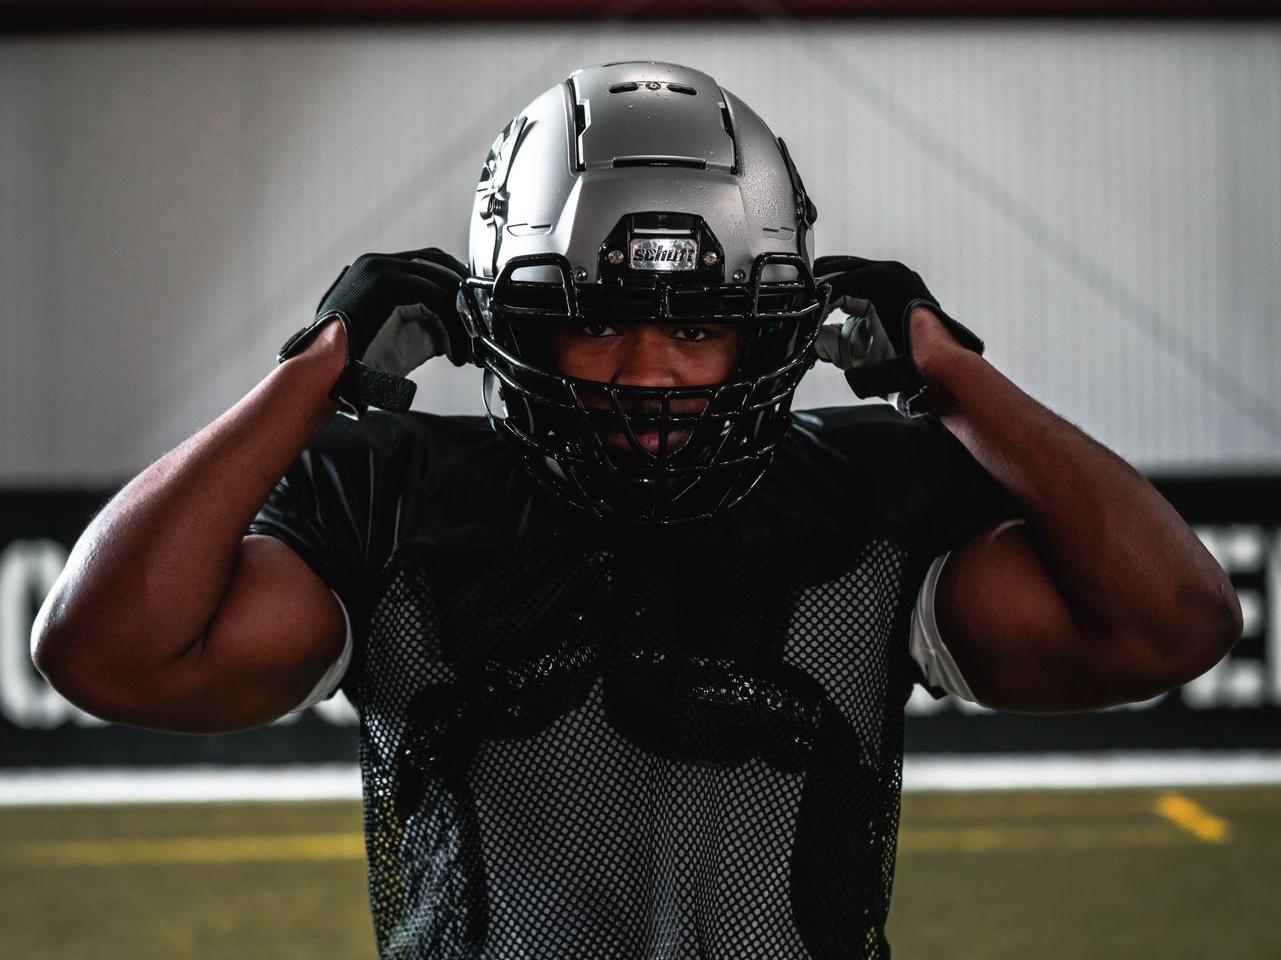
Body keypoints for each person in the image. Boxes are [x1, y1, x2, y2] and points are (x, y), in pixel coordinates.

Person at [31, 62, 1241, 958]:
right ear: (513, 321)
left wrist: (950, 372)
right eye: (598, 319)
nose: (650, 369)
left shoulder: (867, 505)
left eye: (700, 325)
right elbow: (105, 651)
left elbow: (1173, 623)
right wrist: (315, 372)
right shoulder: (394, 502)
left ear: (768, 327)